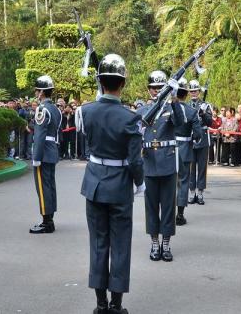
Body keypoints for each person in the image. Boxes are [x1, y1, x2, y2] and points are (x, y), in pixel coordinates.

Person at [79, 54, 144, 314]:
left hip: (94, 183)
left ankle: (100, 304)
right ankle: (116, 305)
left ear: (100, 82)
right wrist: (139, 183)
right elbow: (135, 160)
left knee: (98, 243)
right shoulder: (131, 118)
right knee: (120, 246)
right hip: (119, 188)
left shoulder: (85, 111)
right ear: (123, 84)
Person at [137, 70, 184, 262]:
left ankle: (166, 243)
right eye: (153, 88)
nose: (156, 91)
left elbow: (181, 123)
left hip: (167, 162)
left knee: (167, 206)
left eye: (159, 88)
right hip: (149, 162)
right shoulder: (141, 112)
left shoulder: (172, 109)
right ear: (148, 90)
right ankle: (154, 242)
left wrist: (174, 100)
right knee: (151, 206)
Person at [29, 75, 62, 234]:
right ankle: (49, 218)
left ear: (41, 92)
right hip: (52, 150)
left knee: (43, 188)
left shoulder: (42, 109)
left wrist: (36, 157)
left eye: (37, 90)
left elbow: (40, 136)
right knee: (50, 186)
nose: (36, 93)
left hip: (43, 153)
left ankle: (46, 222)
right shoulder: (56, 109)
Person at [174, 77, 202, 226]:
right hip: (184, 149)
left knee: (169, 182)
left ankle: (166, 212)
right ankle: (180, 214)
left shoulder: (167, 109)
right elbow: (198, 134)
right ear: (185, 94)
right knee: (183, 182)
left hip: (169, 150)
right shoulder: (191, 111)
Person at [188, 80, 213, 205]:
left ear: (199, 91)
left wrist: (203, 114)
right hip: (190, 139)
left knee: (202, 168)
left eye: (195, 91)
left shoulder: (206, 105)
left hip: (202, 138)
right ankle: (192, 192)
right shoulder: (186, 105)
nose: (193, 93)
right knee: (191, 168)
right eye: (191, 91)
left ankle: (200, 192)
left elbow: (210, 122)